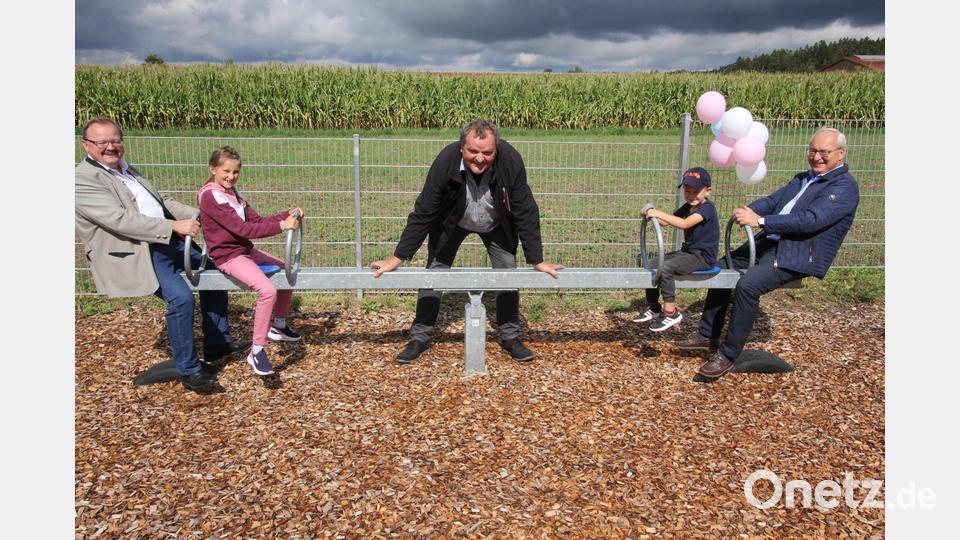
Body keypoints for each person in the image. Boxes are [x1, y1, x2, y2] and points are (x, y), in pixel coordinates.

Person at [369, 119, 565, 364]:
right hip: (453, 222)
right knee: (434, 273)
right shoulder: (445, 162)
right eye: (473, 151)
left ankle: (510, 336)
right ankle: (419, 337)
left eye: (487, 152)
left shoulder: (511, 161)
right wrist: (397, 258)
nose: (480, 158)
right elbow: (424, 211)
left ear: (497, 149)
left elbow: (525, 209)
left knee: (507, 271)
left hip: (496, 223)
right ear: (462, 147)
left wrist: (537, 259)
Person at [75, 117, 248, 392]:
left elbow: (162, 201)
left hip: (168, 241)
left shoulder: (128, 171)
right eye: (102, 142)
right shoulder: (82, 180)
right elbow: (119, 220)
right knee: (180, 298)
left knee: (216, 273)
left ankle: (217, 343)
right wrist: (173, 226)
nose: (111, 147)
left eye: (116, 140)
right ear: (86, 145)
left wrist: (205, 216)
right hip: (139, 249)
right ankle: (189, 370)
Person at [677, 127, 860, 380]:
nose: (816, 156)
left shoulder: (844, 187)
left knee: (748, 286)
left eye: (824, 152)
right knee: (720, 269)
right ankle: (707, 334)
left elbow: (811, 220)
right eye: (813, 151)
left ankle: (728, 354)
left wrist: (761, 221)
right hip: (769, 243)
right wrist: (750, 209)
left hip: (796, 252)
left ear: (841, 154)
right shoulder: (802, 179)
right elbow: (774, 200)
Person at [197, 146, 305, 377]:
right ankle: (257, 350)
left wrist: (285, 214)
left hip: (244, 250)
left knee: (287, 272)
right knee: (267, 290)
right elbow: (243, 229)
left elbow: (256, 220)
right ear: (213, 169)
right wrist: (281, 226)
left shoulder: (233, 193)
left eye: (235, 172)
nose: (231, 176)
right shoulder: (210, 196)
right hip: (228, 255)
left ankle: (279, 324)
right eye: (226, 171)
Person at [634, 166, 719, 332]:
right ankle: (653, 306)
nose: (691, 196)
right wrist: (649, 213)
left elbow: (684, 223)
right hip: (688, 252)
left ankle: (671, 312)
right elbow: (668, 221)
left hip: (702, 257)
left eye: (696, 191)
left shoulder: (707, 208)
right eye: (687, 191)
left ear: (707, 191)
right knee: (652, 263)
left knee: (666, 268)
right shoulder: (687, 207)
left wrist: (657, 212)